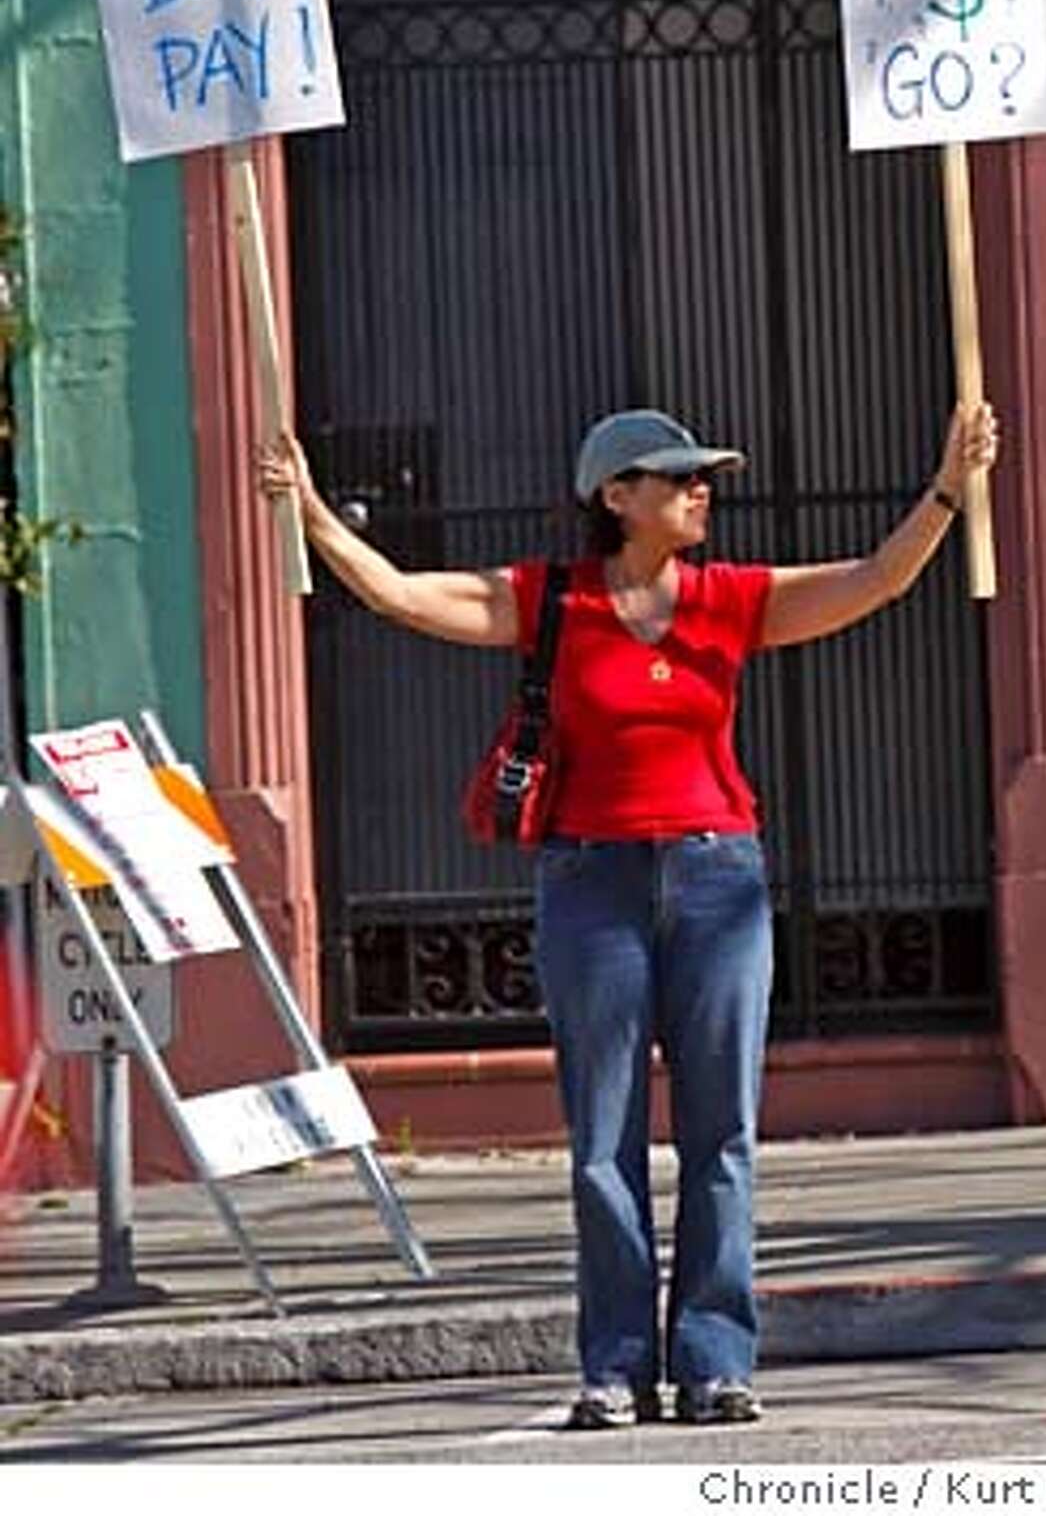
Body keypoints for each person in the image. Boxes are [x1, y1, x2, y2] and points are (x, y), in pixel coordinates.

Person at [258, 399, 999, 1429]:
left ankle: (714, 1361)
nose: (701, 489)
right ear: (616, 495)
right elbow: (405, 598)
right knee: (601, 1139)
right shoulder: (551, 600)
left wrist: (950, 485)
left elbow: (877, 579)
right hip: (590, 883)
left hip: (719, 880)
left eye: (704, 475)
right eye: (678, 474)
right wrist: (315, 517)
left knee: (721, 1132)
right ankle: (613, 1367)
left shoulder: (729, 599)